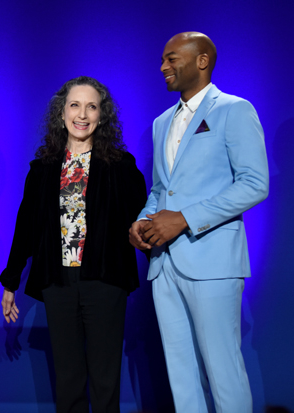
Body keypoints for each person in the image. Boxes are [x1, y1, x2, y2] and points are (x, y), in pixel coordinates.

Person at [129, 32, 269, 412]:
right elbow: (162, 188)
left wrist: (185, 219)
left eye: (172, 59)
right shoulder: (161, 123)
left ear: (202, 61)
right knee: (181, 375)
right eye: (163, 60)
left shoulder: (234, 110)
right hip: (164, 265)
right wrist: (142, 220)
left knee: (223, 372)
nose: (162, 67)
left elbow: (255, 184)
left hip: (213, 262)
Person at [0, 76, 147, 413]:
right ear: (61, 112)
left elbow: (144, 222)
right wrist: (11, 281)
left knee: (105, 379)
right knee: (68, 379)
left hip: (106, 282)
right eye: (75, 105)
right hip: (59, 283)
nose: (82, 114)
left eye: (91, 106)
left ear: (102, 115)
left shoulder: (121, 167)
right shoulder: (43, 169)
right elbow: (25, 229)